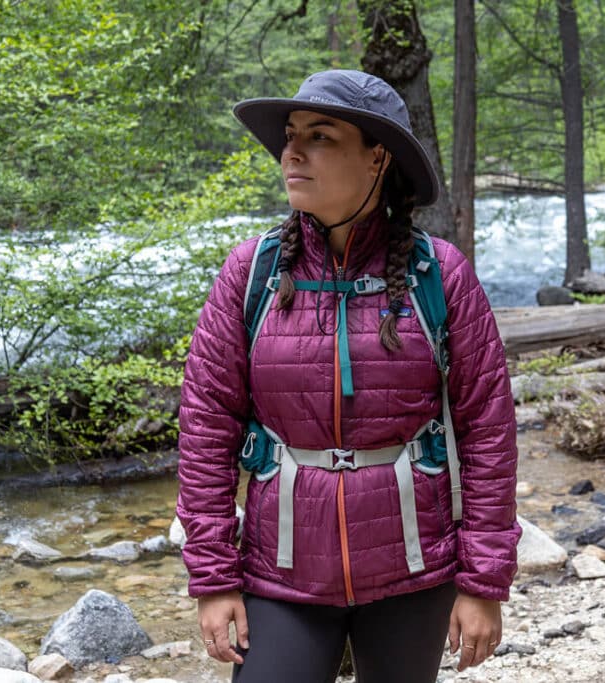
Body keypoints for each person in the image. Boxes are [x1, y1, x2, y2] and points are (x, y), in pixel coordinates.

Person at [176, 69, 520, 683]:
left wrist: (484, 582)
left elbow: (488, 433)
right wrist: (213, 578)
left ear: (378, 158)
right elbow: (206, 429)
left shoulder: (437, 276)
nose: (292, 151)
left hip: (414, 570)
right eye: (290, 135)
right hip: (281, 572)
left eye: (321, 136)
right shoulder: (250, 274)